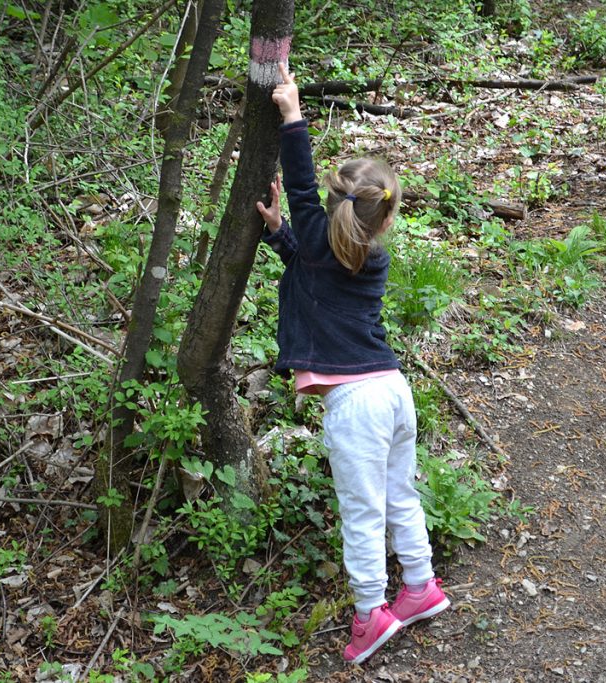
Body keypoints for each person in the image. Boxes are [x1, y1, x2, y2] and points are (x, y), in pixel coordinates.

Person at [256, 62, 449, 665]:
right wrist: (286, 233)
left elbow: (302, 181)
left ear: (333, 204)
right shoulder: (371, 257)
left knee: (362, 514)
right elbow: (318, 257)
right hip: (393, 390)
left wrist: (291, 114)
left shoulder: (319, 236)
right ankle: (419, 588)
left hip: (356, 403)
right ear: (384, 218)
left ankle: (371, 614)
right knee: (400, 496)